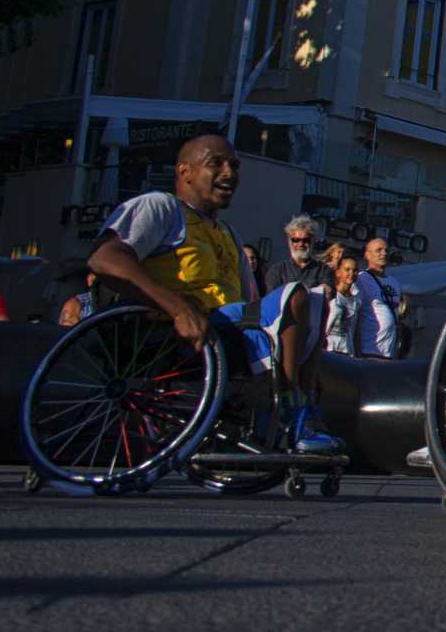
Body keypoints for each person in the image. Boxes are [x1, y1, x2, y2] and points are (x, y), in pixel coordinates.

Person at [84, 134, 343, 454]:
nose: (229, 173)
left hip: (228, 331)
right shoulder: (159, 207)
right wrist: (177, 308)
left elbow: (250, 303)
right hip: (169, 331)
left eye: (234, 165)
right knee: (297, 295)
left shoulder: (227, 233)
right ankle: (284, 410)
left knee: (317, 302)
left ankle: (301, 407)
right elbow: (104, 259)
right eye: (215, 164)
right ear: (185, 171)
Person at [354, 237, 403, 358]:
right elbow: (355, 314)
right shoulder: (361, 279)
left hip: (388, 353)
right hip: (368, 350)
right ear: (367, 255)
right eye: (379, 250)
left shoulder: (394, 282)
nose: (384, 253)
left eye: (386, 250)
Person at [266, 215, 333, 293]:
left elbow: (326, 295)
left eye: (306, 240)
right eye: (295, 240)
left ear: (313, 241)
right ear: (289, 241)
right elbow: (272, 298)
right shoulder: (276, 270)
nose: (301, 244)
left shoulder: (324, 270)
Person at [321, 253, 362, 355]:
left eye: (355, 270)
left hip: (346, 351)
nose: (351, 273)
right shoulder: (330, 296)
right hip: (328, 348)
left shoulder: (356, 302)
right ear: (338, 272)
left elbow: (353, 330)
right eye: (347, 269)